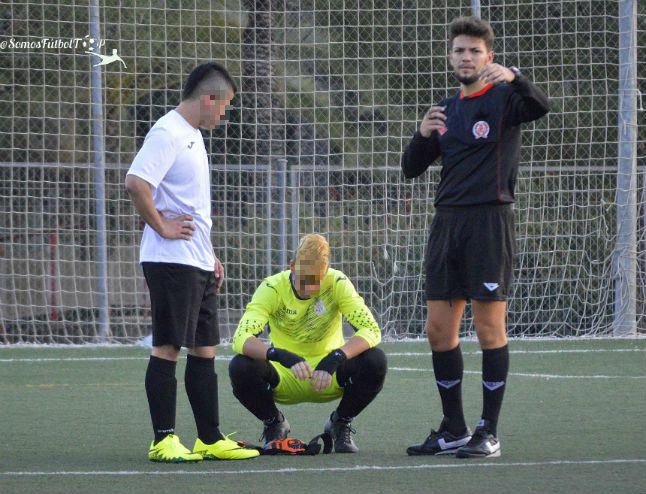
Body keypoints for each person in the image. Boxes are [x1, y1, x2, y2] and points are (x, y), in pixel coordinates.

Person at [402, 17, 549, 458]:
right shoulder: (444, 111)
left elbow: (542, 105)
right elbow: (410, 168)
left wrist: (517, 77)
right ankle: (454, 428)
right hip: (447, 225)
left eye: (475, 51)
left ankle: (489, 431)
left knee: (488, 328)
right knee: (438, 330)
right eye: (459, 51)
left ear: (490, 58)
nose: (466, 57)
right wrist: (421, 133)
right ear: (451, 58)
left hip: (489, 223)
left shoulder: (506, 99)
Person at [125, 62, 259, 462]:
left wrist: (209, 254)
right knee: (168, 347)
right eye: (225, 106)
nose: (224, 114)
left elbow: (191, 205)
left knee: (205, 349)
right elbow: (136, 183)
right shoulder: (167, 132)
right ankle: (163, 439)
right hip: (170, 261)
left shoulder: (193, 136)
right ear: (208, 98)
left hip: (195, 261)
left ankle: (210, 437)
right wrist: (163, 226)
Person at [229, 234, 387, 453]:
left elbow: (371, 330)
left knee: (376, 360)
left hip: (328, 376)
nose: (309, 288)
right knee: (240, 366)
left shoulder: (337, 282)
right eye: (304, 279)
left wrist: (335, 358)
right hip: (284, 374)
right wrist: (280, 355)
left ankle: (340, 422)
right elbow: (240, 337)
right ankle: (274, 422)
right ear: (292, 266)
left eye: (316, 280)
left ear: (326, 271)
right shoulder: (272, 287)